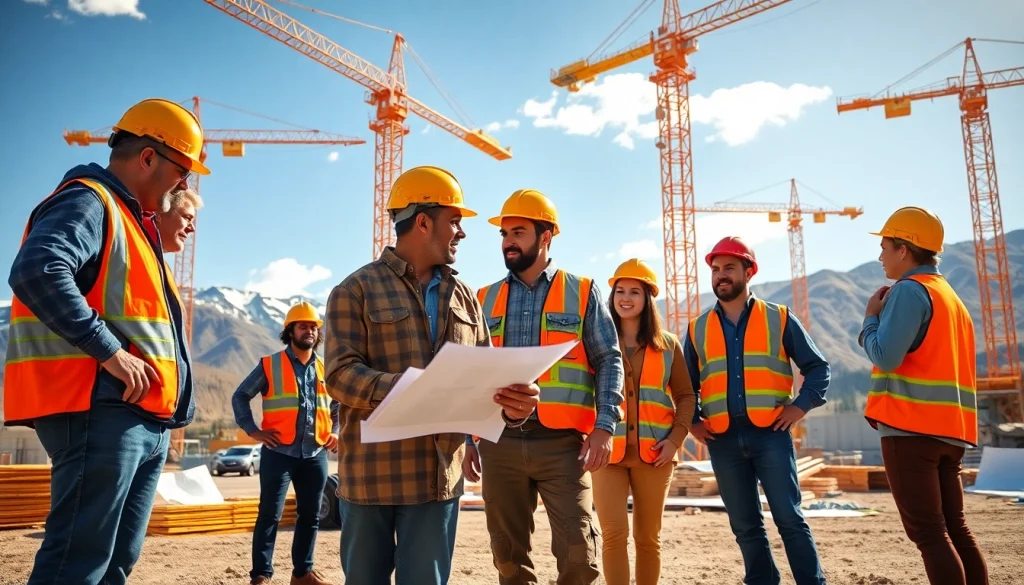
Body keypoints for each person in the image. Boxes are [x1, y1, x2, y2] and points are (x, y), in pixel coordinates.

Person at [4, 98, 208, 585]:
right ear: (148, 158)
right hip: (98, 409)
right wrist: (110, 352)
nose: (184, 185)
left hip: (139, 418)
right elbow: (37, 269)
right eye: (183, 171)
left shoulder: (132, 223)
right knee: (78, 563)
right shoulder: (90, 200)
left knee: (114, 563)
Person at [323, 166, 540, 585]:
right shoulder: (355, 290)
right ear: (423, 221)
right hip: (373, 478)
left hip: (439, 479)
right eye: (454, 221)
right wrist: (414, 390)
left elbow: (485, 377)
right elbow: (339, 376)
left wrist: (513, 405)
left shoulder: (465, 297)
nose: (461, 232)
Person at [464, 189, 625, 585]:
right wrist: (470, 439)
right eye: (504, 234)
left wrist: (604, 426)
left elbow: (609, 359)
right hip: (498, 442)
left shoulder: (583, 291)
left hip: (563, 444)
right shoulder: (484, 298)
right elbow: (472, 373)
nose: (508, 242)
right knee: (507, 556)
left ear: (546, 235)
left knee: (579, 555)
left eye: (518, 231)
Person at [684, 236, 829, 585]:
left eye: (729, 268)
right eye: (716, 269)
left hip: (771, 435)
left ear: (749, 271)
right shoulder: (697, 328)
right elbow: (684, 387)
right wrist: (691, 422)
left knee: (789, 519)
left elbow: (818, 368)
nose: (720, 275)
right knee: (746, 525)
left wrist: (799, 406)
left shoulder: (778, 317)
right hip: (722, 439)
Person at [859, 207, 988, 585]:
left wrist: (870, 319)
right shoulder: (951, 298)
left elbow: (885, 355)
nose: (880, 255)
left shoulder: (910, 292)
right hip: (950, 432)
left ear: (904, 249)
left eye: (884, 246)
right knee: (955, 529)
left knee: (930, 535)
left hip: (910, 430)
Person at [592, 258, 696, 585]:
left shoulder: (668, 345)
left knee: (648, 538)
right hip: (607, 455)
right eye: (620, 290)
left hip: (656, 455)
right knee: (612, 534)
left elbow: (686, 396)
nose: (625, 297)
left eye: (634, 291)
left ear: (647, 298)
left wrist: (675, 440)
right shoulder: (597, 343)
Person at [232, 301, 341, 585]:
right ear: (289, 331)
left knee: (310, 515)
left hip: (315, 452)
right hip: (278, 452)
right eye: (303, 325)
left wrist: (336, 431)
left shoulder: (325, 368)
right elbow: (240, 396)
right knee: (270, 513)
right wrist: (253, 430)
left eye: (314, 327)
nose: (310, 331)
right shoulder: (270, 365)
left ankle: (302, 573)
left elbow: (338, 406)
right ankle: (261, 576)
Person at [155, 187, 202, 253]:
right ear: (159, 212)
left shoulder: (149, 259)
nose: (192, 229)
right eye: (187, 218)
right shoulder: (136, 247)